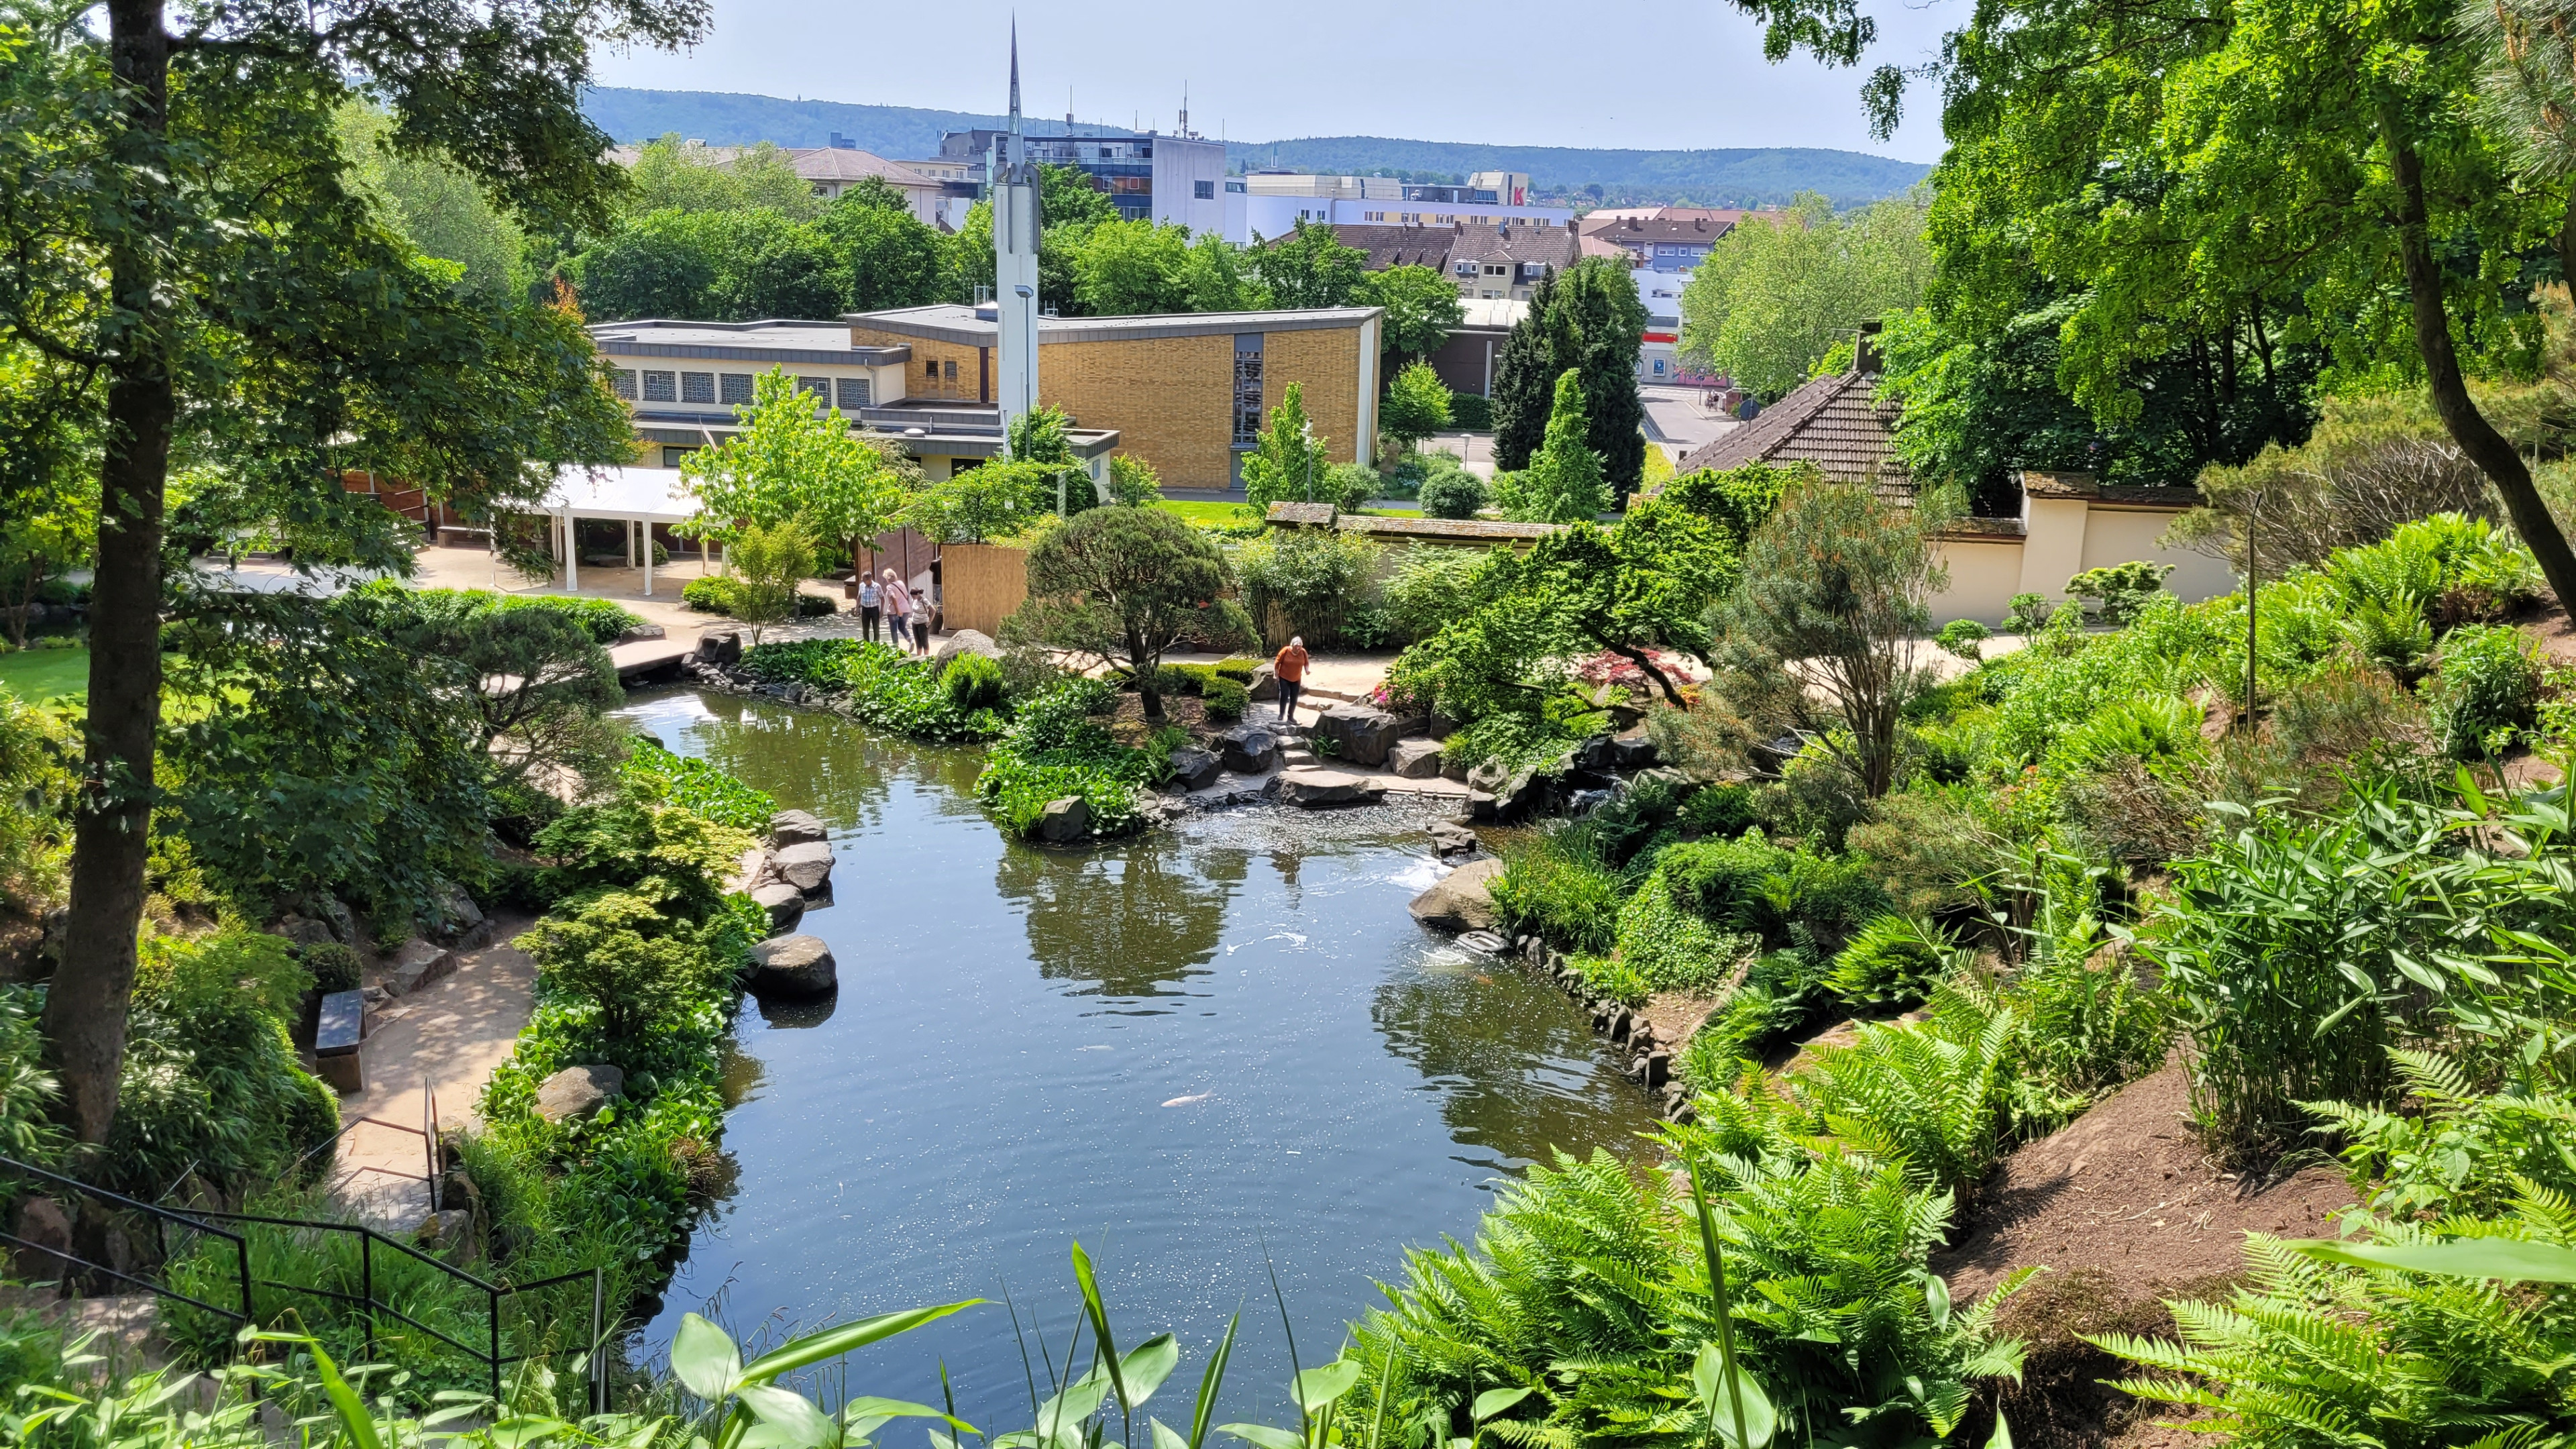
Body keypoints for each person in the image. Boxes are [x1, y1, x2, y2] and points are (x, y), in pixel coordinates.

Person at [1273, 635, 1309, 722]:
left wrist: (1307, 670)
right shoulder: (1285, 650)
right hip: (1284, 677)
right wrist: (1276, 674)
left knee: (1294, 698)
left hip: (1296, 678)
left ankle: (1290, 716)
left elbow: (1306, 663)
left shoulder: (1303, 652)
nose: (1298, 648)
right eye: (1296, 646)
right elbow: (1277, 662)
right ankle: (1281, 714)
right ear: (1292, 645)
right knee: (1284, 696)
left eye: (1299, 646)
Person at [881, 569, 913, 653]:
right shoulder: (901, 583)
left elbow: (894, 597)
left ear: (888, 578)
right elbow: (906, 595)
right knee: (902, 627)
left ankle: (895, 646)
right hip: (906, 609)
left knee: (894, 629)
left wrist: (898, 610)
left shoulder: (890, 587)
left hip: (894, 611)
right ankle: (910, 640)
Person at [856, 574, 882, 643]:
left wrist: (881, 611)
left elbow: (882, 598)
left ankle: (876, 644)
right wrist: (857, 608)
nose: (863, 581)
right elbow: (859, 597)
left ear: (870, 579)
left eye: (864, 580)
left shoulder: (877, 586)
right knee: (865, 629)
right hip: (865, 609)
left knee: (876, 629)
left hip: (874, 609)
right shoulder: (861, 586)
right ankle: (866, 644)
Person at [909, 588, 932, 655]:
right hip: (915, 623)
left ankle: (926, 657)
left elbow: (933, 611)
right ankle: (919, 657)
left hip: (923, 624)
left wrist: (930, 621)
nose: (913, 597)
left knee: (924, 642)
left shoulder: (924, 600)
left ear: (918, 594)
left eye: (914, 596)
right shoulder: (915, 600)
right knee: (918, 642)